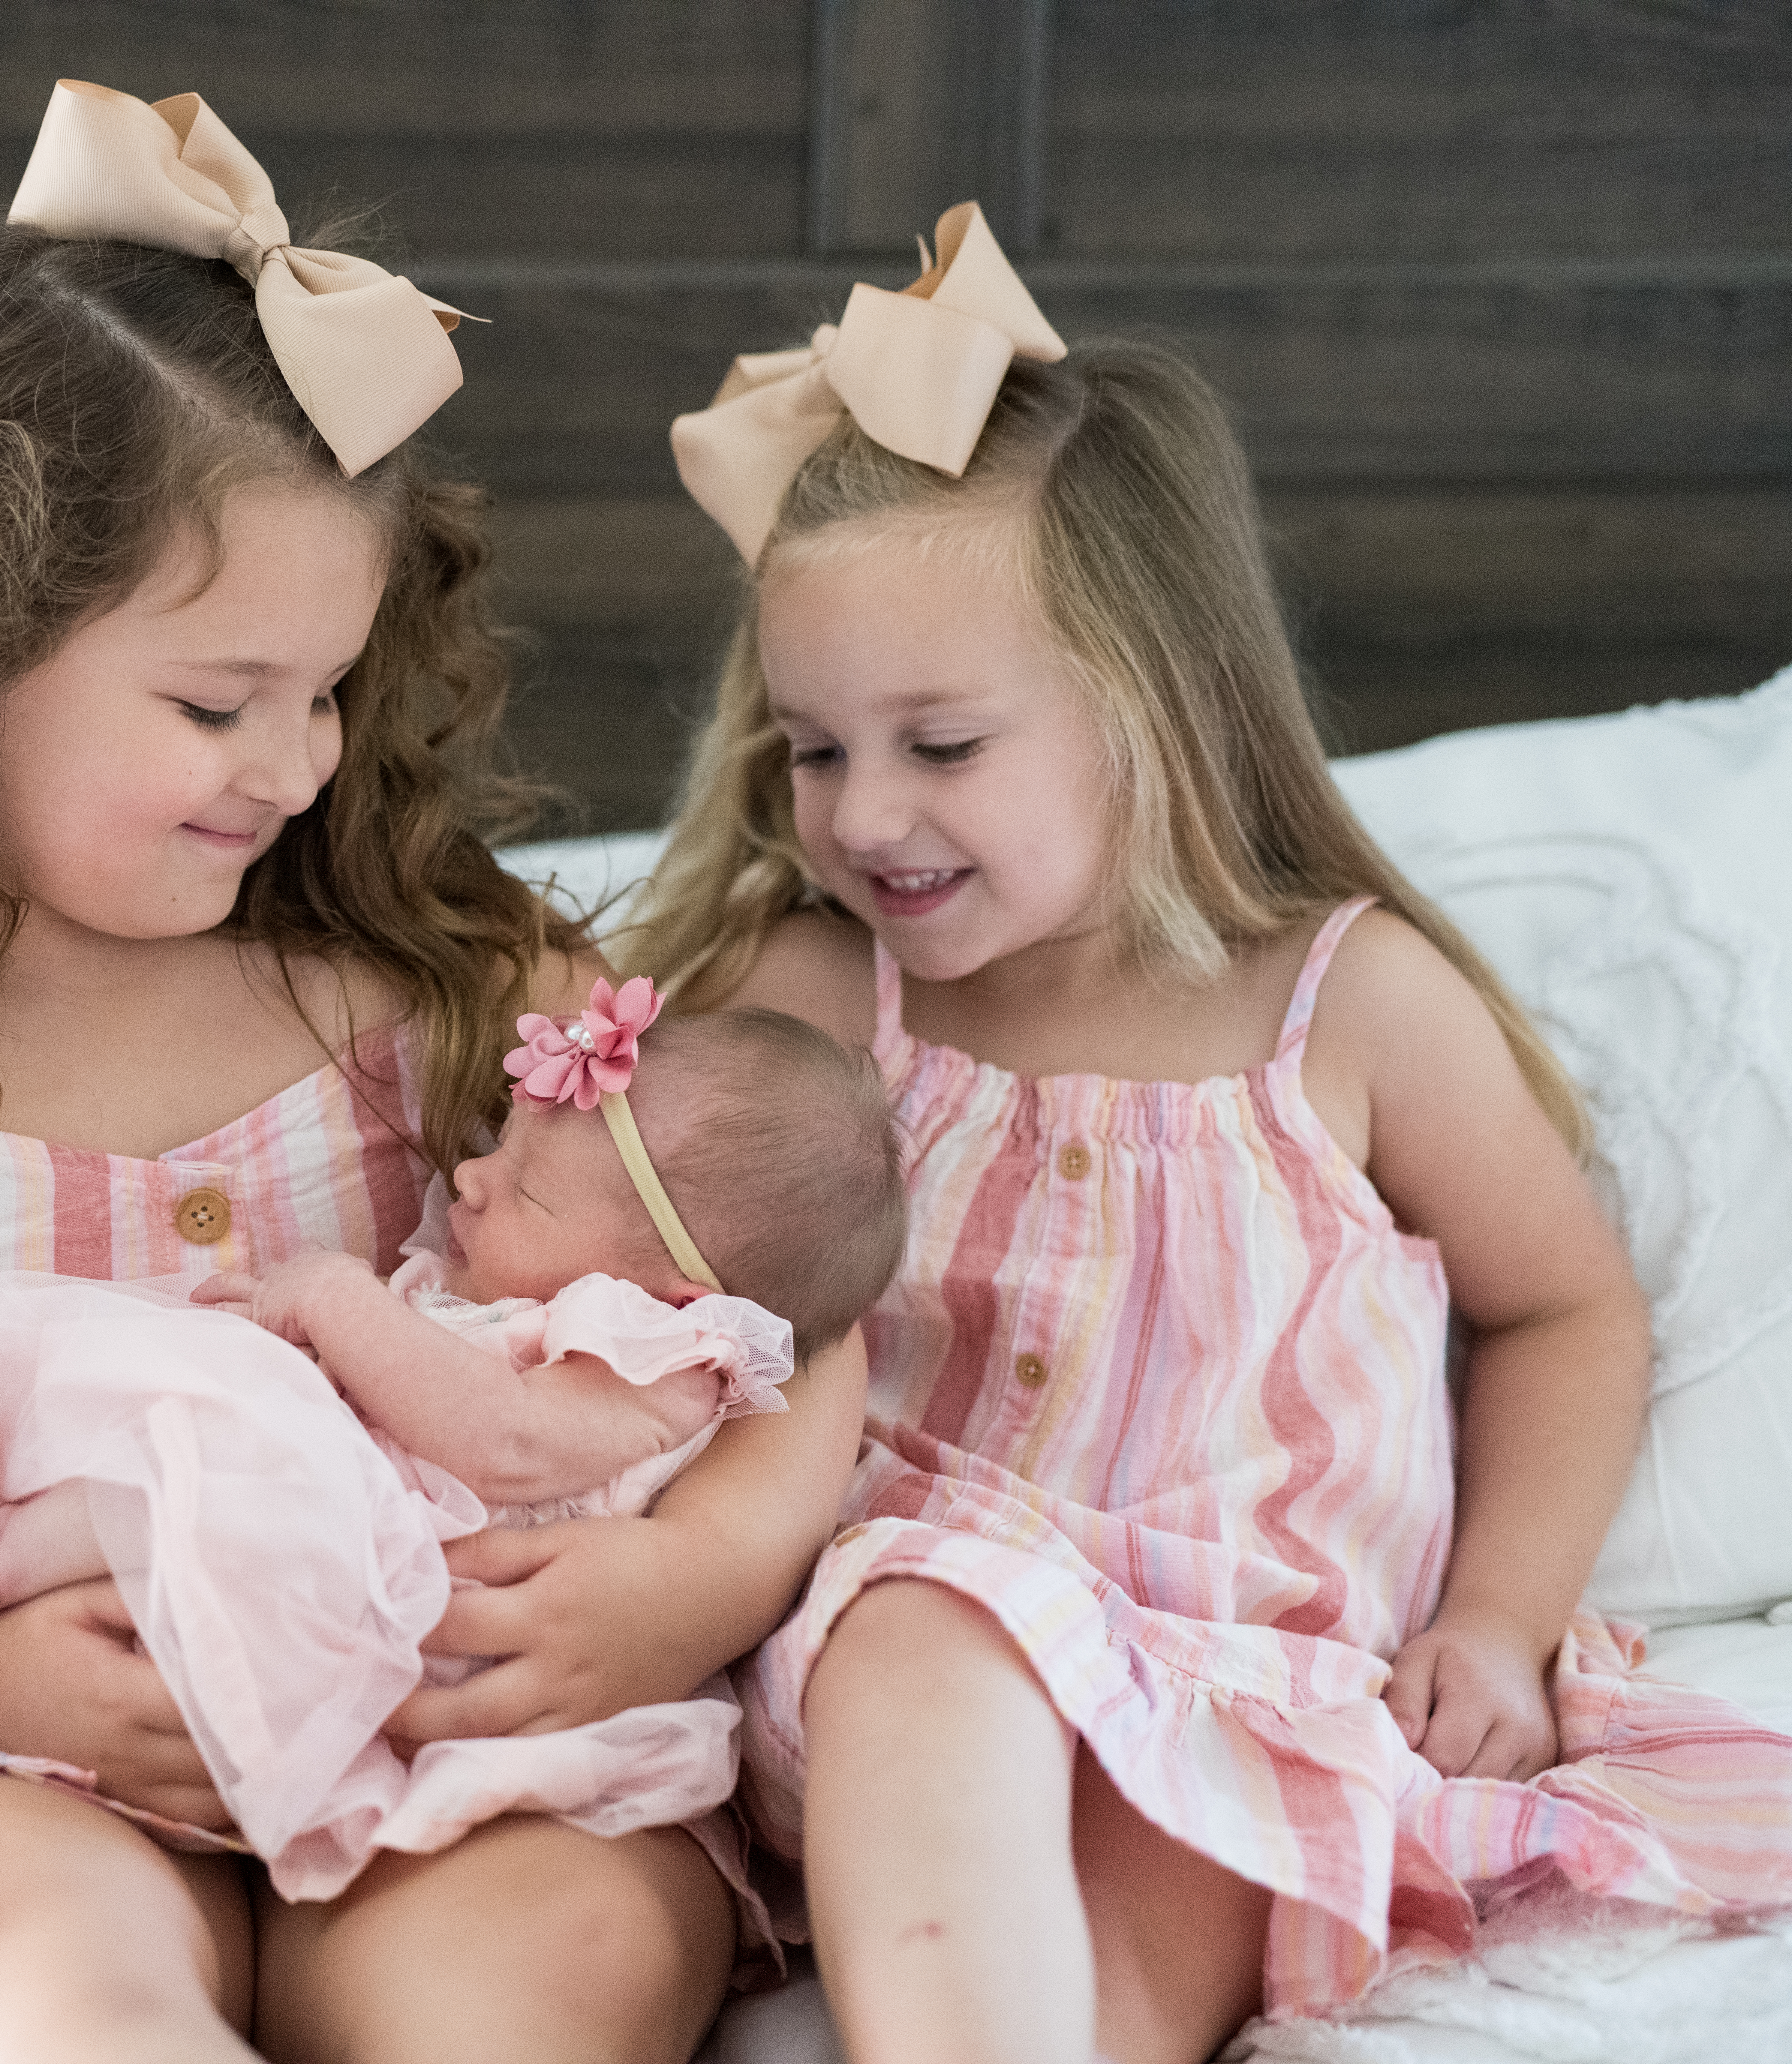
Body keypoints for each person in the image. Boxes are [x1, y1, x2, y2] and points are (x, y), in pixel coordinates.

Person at [0, 81, 869, 2064]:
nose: (298, 770)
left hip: (449, 1743)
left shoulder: (439, 980)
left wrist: (696, 1580)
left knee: (543, 1972)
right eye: (216, 703)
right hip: (25, 1758)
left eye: (331, 691)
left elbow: (782, 1284)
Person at [623, 202, 1792, 2064]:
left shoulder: (1351, 1007)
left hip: (1250, 1680)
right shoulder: (826, 998)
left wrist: (1497, 1623)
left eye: (942, 743)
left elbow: (1568, 1312)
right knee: (934, 1625)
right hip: (896, 1656)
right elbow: (631, 1261)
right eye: (815, 746)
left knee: (1132, 1969)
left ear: (1150, 712)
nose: (862, 812)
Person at [0, 994, 903, 1899]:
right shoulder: (520, 1292)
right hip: (329, 1519)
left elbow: (500, 1444)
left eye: (533, 1193)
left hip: (398, 1582)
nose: (473, 1171)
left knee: (216, 1479)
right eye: (502, 1140)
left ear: (676, 1291)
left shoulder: (654, 1365)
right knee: (138, 1421)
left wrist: (337, 1304)